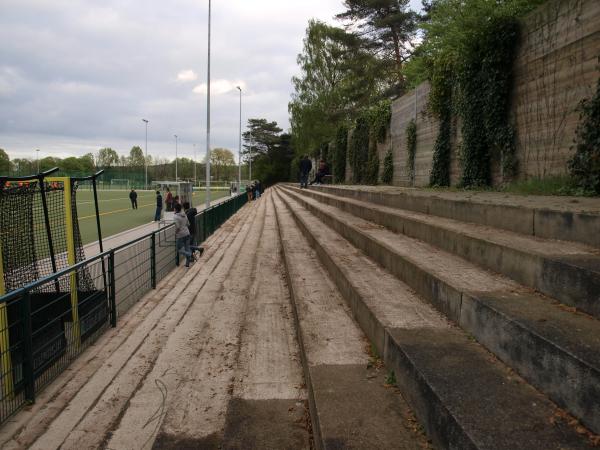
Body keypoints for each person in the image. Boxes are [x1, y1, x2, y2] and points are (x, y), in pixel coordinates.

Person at [174, 203, 193, 267]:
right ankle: (187, 264)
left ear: (175, 209)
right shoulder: (184, 214)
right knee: (187, 247)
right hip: (187, 233)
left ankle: (189, 254)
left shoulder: (176, 217)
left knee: (179, 249)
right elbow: (188, 224)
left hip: (181, 235)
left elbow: (178, 227)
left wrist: (176, 233)